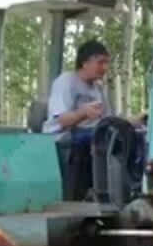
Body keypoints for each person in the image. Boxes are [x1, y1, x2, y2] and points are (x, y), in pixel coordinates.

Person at [43, 40, 147, 194]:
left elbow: (110, 121)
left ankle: (133, 185)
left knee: (135, 136)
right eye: (100, 63)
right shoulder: (67, 81)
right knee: (106, 137)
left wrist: (137, 120)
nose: (105, 68)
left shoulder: (97, 88)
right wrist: (83, 113)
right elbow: (62, 120)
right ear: (85, 62)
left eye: (106, 63)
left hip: (90, 133)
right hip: (64, 136)